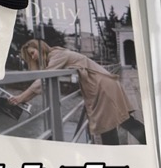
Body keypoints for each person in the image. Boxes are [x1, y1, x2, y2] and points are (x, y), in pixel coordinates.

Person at [10, 39, 146, 145]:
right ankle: (124, 154)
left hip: (102, 87)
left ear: (40, 48)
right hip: (104, 84)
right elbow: (43, 81)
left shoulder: (57, 56)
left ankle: (144, 146)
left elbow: (42, 80)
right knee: (113, 124)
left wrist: (21, 97)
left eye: (32, 53)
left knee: (117, 123)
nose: (33, 58)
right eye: (30, 56)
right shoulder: (57, 53)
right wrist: (24, 98)